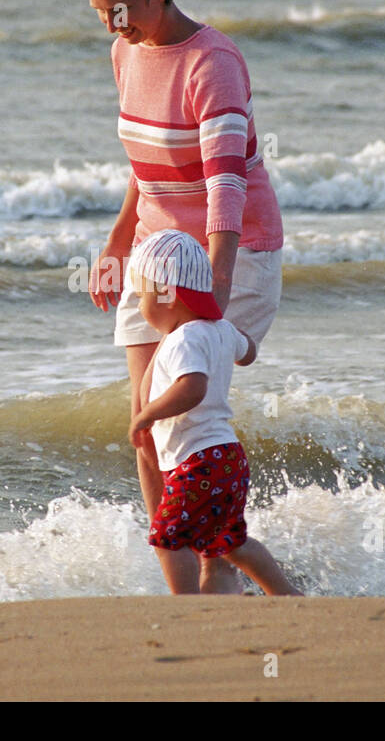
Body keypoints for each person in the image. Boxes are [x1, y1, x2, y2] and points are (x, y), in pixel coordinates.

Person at [65, 0, 285, 593]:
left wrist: (217, 284)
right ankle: (182, 595)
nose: (111, 24)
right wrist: (116, 241)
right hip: (159, 249)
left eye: (120, 8)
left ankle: (224, 571)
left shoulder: (212, 64)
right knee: (146, 421)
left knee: (190, 412)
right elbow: (145, 160)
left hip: (233, 247)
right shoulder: (125, 51)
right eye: (100, 10)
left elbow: (226, 182)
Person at [125, 230, 300, 595]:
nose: (140, 306)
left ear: (167, 296)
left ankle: (186, 604)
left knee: (168, 539)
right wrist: (237, 340)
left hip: (197, 462)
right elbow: (248, 352)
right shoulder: (219, 329)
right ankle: (286, 594)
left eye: (142, 295)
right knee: (231, 542)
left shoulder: (182, 339)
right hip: (228, 457)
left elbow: (192, 388)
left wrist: (146, 415)